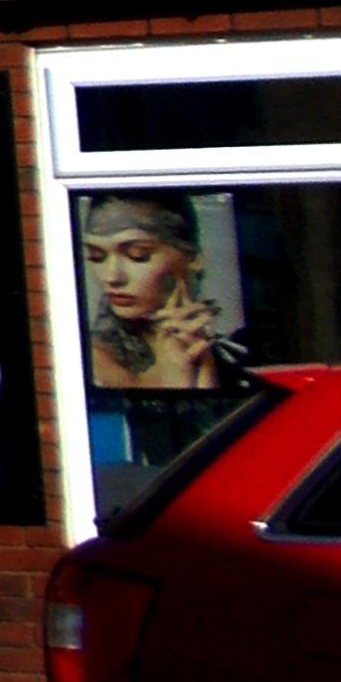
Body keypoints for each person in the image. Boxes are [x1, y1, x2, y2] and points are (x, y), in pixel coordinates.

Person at [80, 193, 259, 489]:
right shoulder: (90, 360)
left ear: (193, 257)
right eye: (97, 257)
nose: (113, 277)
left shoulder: (235, 357)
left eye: (138, 255)